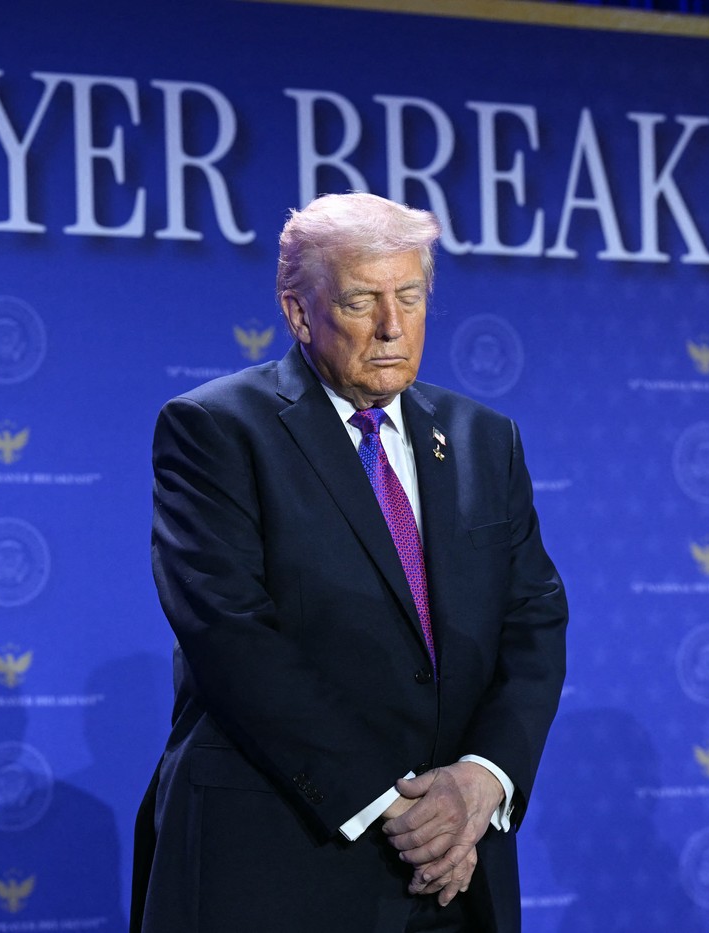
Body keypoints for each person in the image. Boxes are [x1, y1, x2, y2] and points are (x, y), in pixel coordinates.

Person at [132, 192, 568, 933]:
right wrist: (390, 804)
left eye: (411, 296)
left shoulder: (484, 439)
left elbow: (534, 621)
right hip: (284, 857)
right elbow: (232, 636)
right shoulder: (216, 431)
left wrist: (481, 781)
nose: (394, 326)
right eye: (364, 301)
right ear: (300, 313)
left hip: (455, 866)